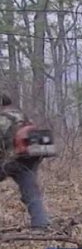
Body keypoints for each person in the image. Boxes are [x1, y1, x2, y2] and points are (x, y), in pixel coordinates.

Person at [0, 94, 50, 229]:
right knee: (31, 192)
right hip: (30, 158)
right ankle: (41, 224)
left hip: (11, 160)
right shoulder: (22, 116)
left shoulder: (2, 119)